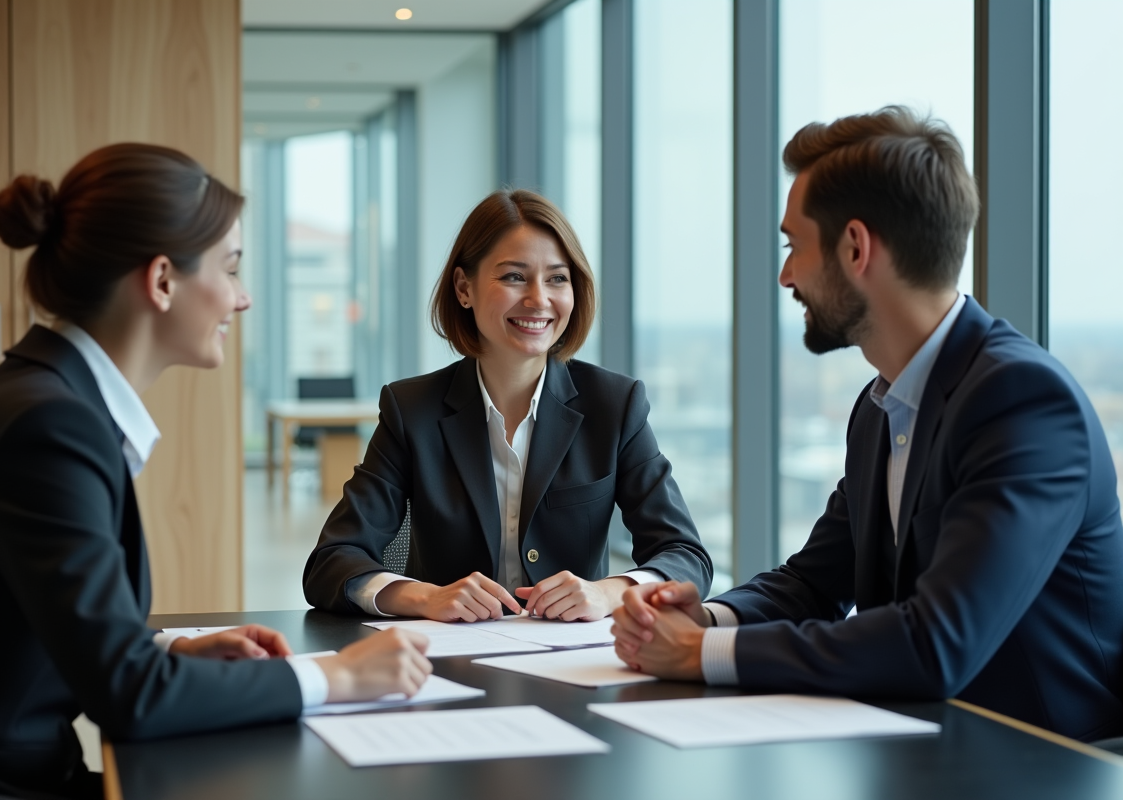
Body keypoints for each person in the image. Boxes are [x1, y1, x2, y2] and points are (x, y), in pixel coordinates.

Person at [0, 143, 431, 798]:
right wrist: (339, 677)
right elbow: (130, 698)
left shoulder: (43, 398)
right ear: (162, 280)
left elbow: (56, 634)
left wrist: (166, 653)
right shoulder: (50, 427)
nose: (243, 298)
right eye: (231, 267)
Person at [612, 107, 1123, 741]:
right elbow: (813, 584)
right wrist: (706, 618)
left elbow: (936, 644)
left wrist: (698, 656)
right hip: (920, 751)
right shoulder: (882, 405)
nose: (785, 275)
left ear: (856, 248)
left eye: (793, 245)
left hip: (1042, 767)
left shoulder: (1023, 401)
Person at [303, 189, 711, 622]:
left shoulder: (614, 405)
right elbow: (332, 561)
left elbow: (685, 556)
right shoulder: (412, 410)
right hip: (445, 665)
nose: (538, 299)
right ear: (464, 288)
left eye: (557, 278)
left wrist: (609, 593)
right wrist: (424, 597)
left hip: (571, 665)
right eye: (514, 277)